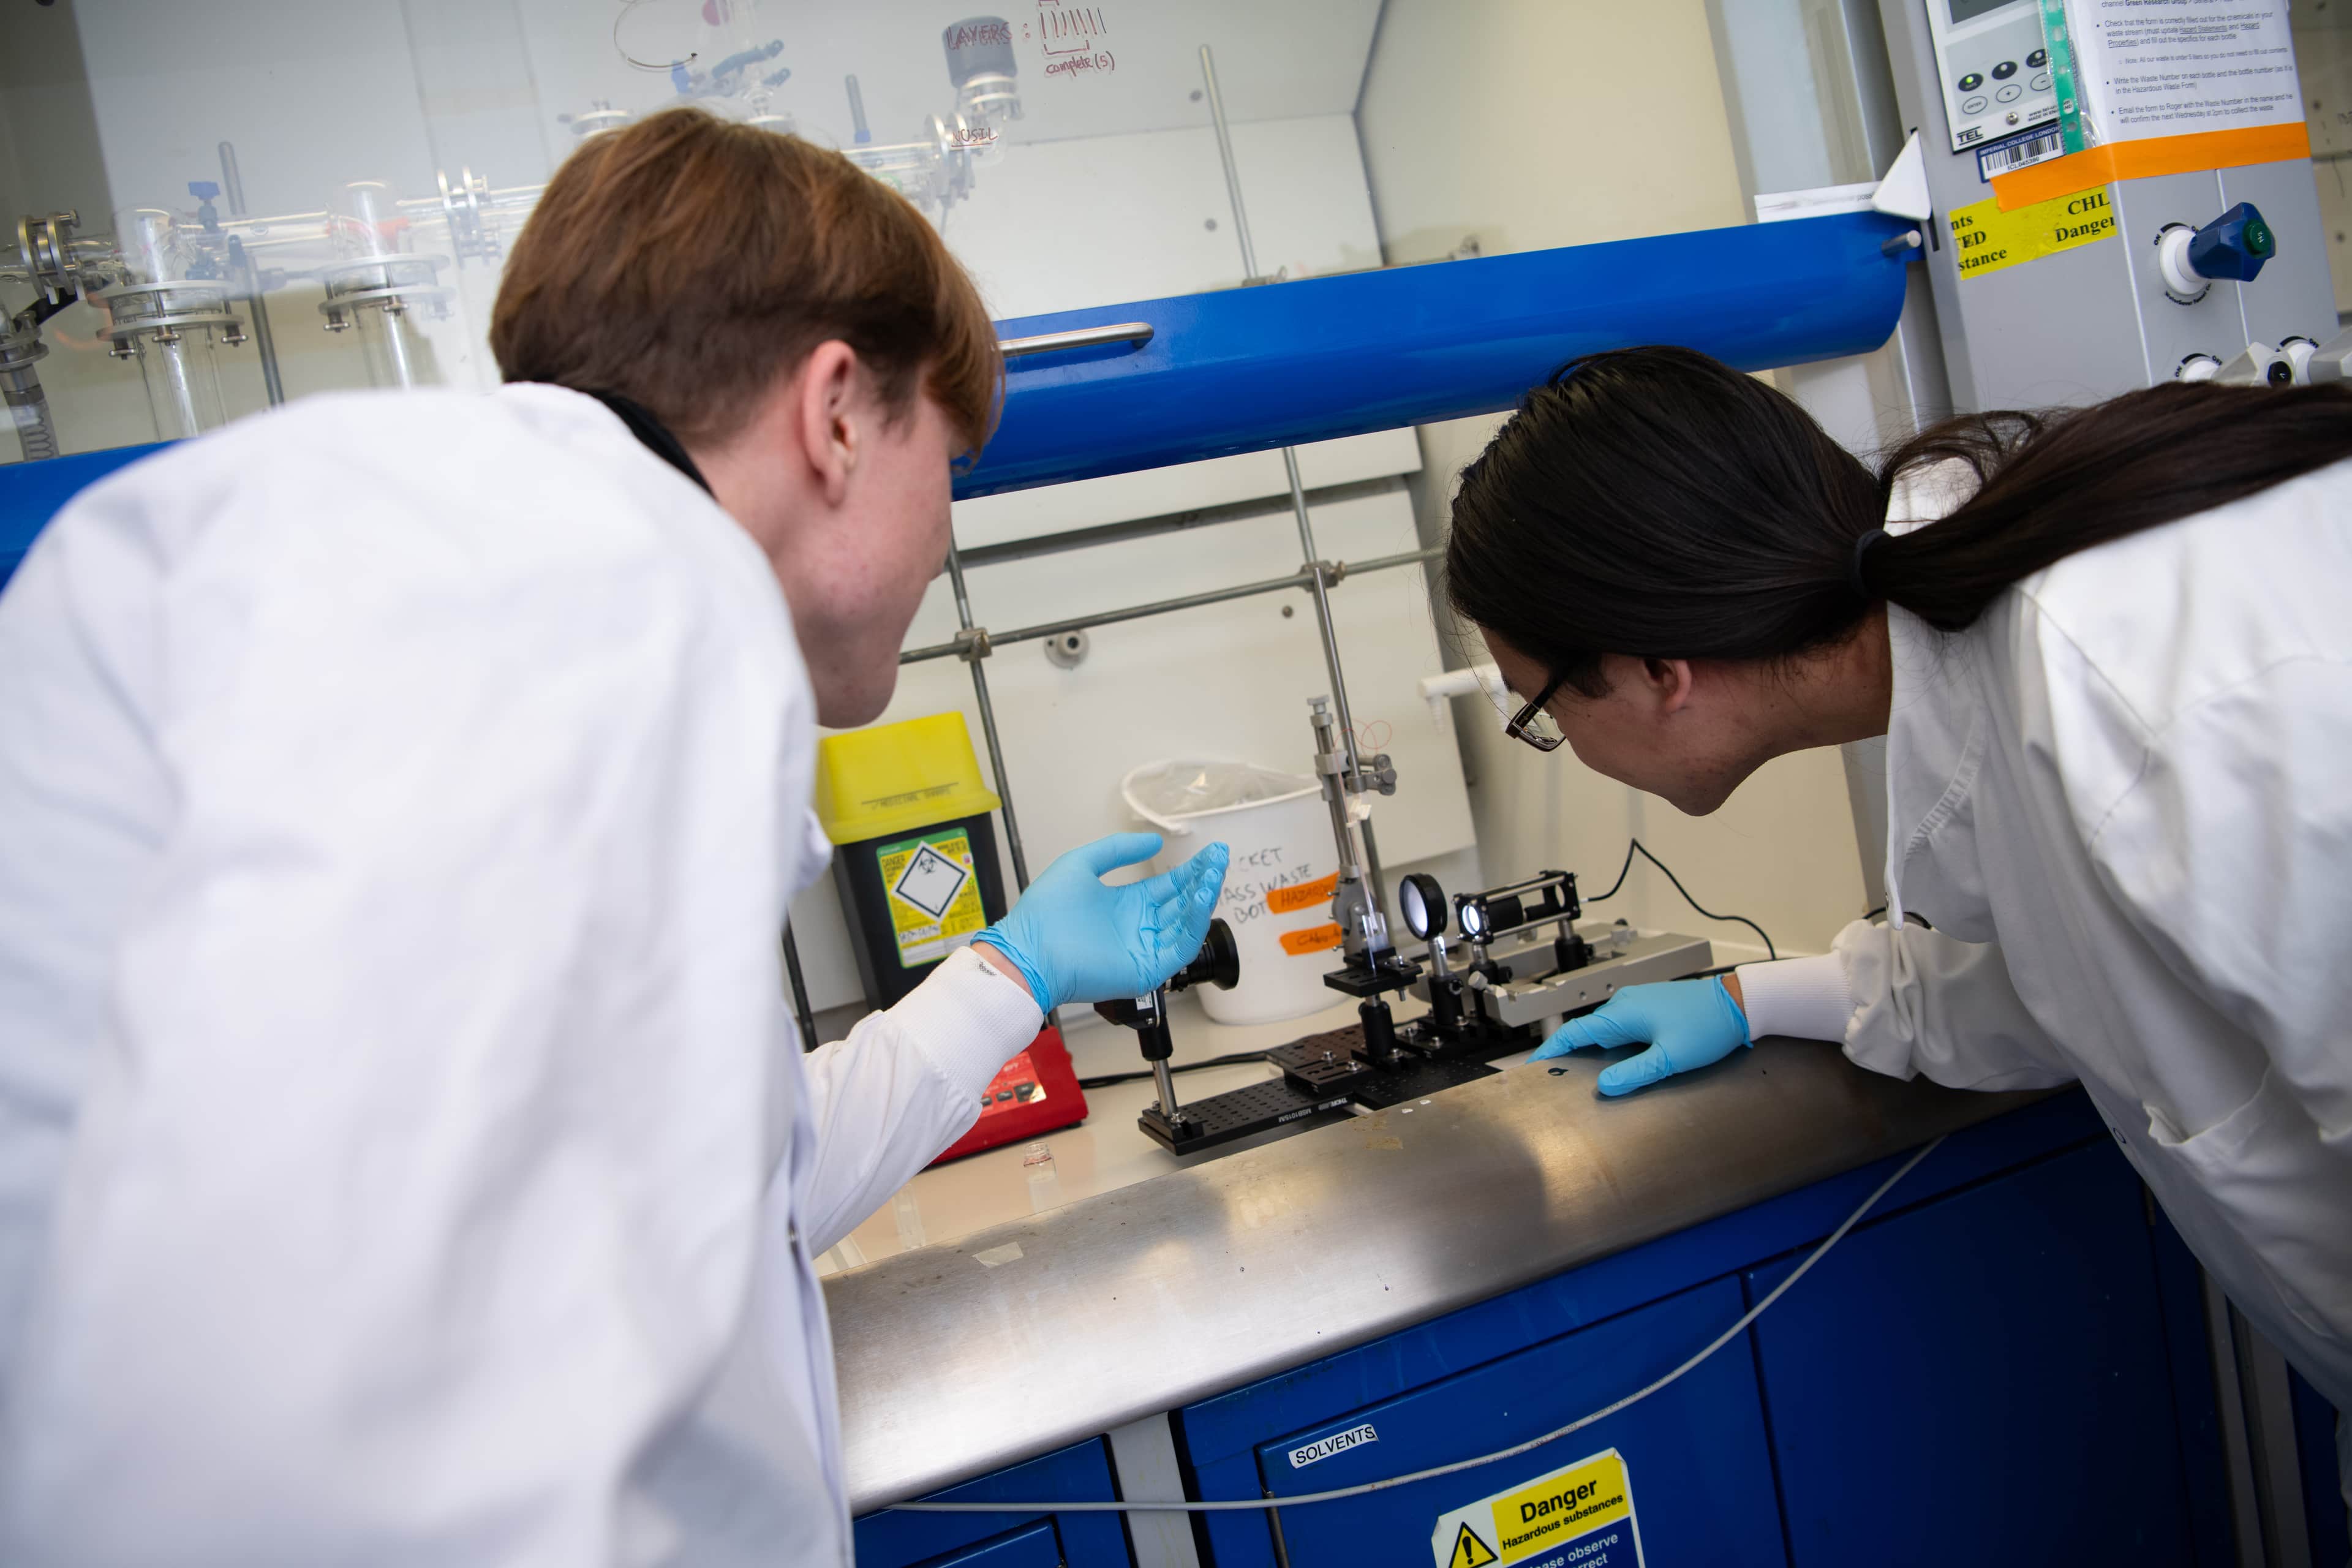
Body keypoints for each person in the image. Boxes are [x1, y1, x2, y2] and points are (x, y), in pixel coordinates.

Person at [0, 108, 1227, 1564]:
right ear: (837, 412)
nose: (943, 534)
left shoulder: (397, 553)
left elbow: (742, 1184)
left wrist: (1009, 972)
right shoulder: (621, 601)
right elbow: (353, 1413)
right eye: (946, 462)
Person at [1442, 344, 2351, 1520]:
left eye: (1546, 709)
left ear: (1657, 669)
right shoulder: (2001, 647)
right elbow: (2098, 979)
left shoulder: (2135, 691)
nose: (1563, 739)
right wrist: (1757, 999)